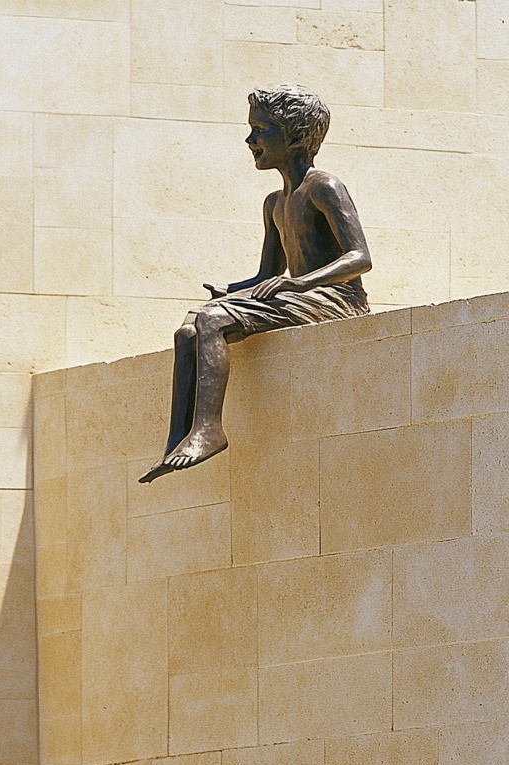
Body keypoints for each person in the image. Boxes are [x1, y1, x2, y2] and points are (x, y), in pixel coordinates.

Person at [140, 84, 371, 482]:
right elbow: (267, 275)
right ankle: (179, 435)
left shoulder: (324, 187)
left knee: (211, 321)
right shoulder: (274, 202)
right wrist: (232, 291)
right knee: (188, 329)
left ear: (296, 136)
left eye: (261, 130)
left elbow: (359, 258)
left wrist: (301, 284)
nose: (251, 140)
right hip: (301, 293)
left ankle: (210, 430)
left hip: (336, 298)